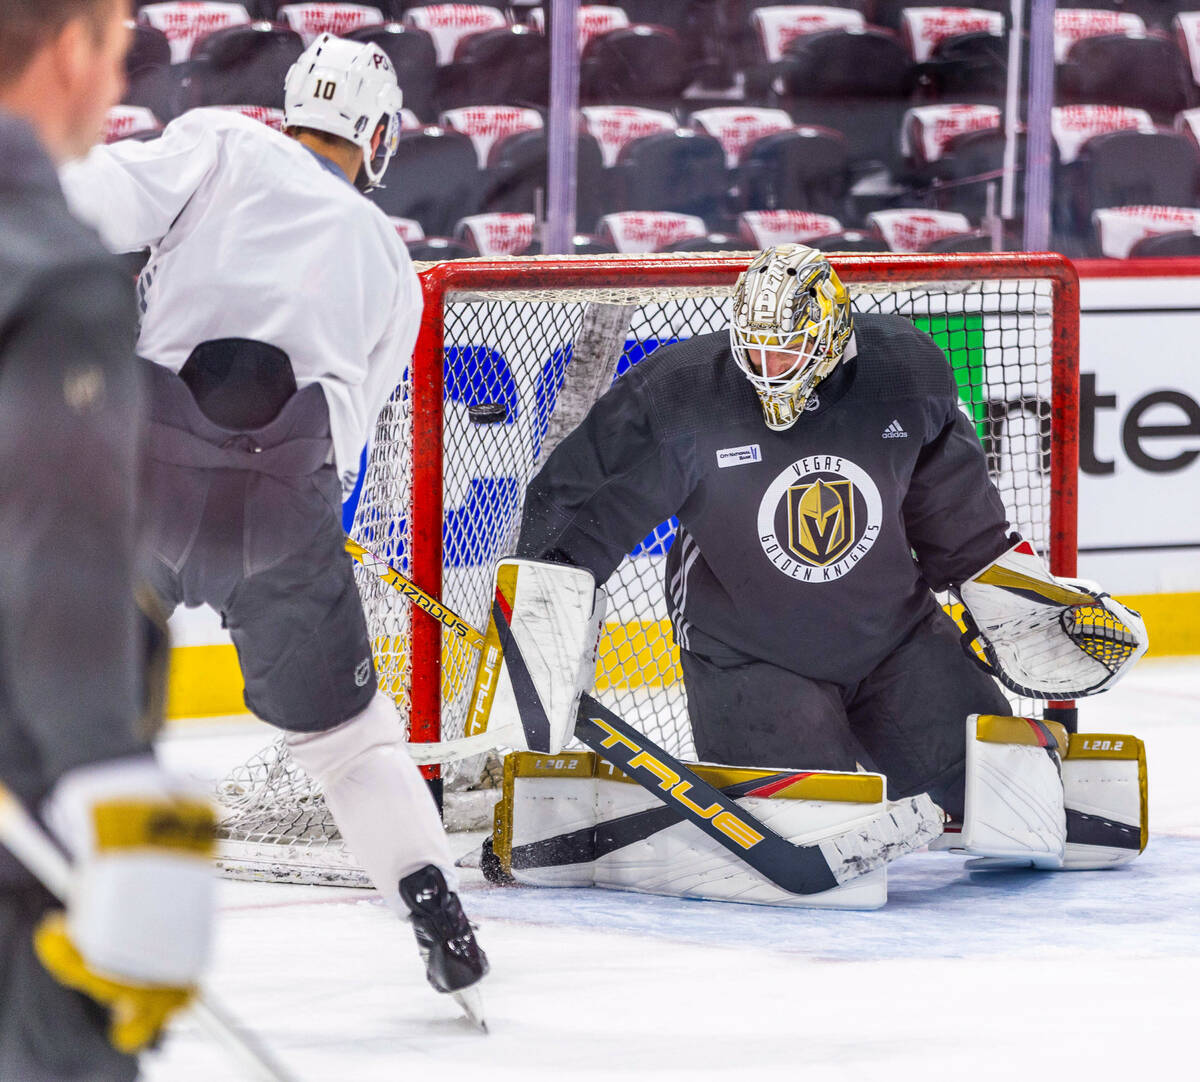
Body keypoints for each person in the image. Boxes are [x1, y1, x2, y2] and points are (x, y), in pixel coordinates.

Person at [59, 33, 488, 1019]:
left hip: (150, 476)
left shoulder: (218, 143)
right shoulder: (390, 259)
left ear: (292, 106)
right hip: (286, 506)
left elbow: (88, 198)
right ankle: (436, 911)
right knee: (344, 741)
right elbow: (355, 428)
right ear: (375, 135)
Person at [517, 244, 1146, 871]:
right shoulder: (682, 395)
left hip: (894, 636)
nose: (767, 365)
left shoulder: (903, 374)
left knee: (1008, 801)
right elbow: (574, 510)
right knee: (811, 819)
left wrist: (1022, 607)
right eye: (755, 347)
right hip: (751, 651)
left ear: (831, 338)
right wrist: (544, 615)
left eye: (786, 348)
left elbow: (959, 524)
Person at [0, 2, 218, 1080]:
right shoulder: (52, 266)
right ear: (74, 48)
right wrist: (106, 782)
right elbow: (61, 544)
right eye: (121, 49)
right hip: (27, 820)